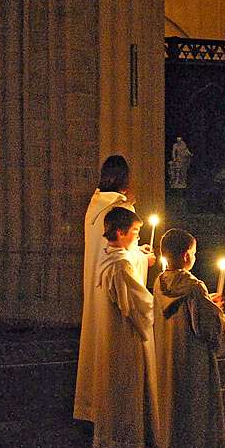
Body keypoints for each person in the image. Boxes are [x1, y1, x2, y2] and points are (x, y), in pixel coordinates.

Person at [74, 155, 154, 423]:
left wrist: (136, 252)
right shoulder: (120, 209)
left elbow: (112, 249)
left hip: (98, 283)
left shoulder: (94, 205)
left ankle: (90, 406)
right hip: (118, 288)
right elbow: (125, 257)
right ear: (125, 178)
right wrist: (144, 258)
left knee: (97, 343)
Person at [153, 228, 225, 448]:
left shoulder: (159, 283)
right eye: (194, 253)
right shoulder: (194, 287)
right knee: (194, 415)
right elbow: (206, 328)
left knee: (172, 412)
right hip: (192, 364)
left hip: (167, 360)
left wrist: (208, 304)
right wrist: (218, 312)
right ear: (186, 255)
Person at [89, 207, 155, 448]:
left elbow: (126, 257)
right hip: (125, 339)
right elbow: (140, 304)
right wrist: (166, 301)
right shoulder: (121, 267)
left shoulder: (106, 257)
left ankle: (112, 443)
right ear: (120, 232)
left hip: (111, 339)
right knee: (127, 392)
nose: (138, 238)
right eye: (135, 233)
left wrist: (139, 254)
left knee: (114, 392)